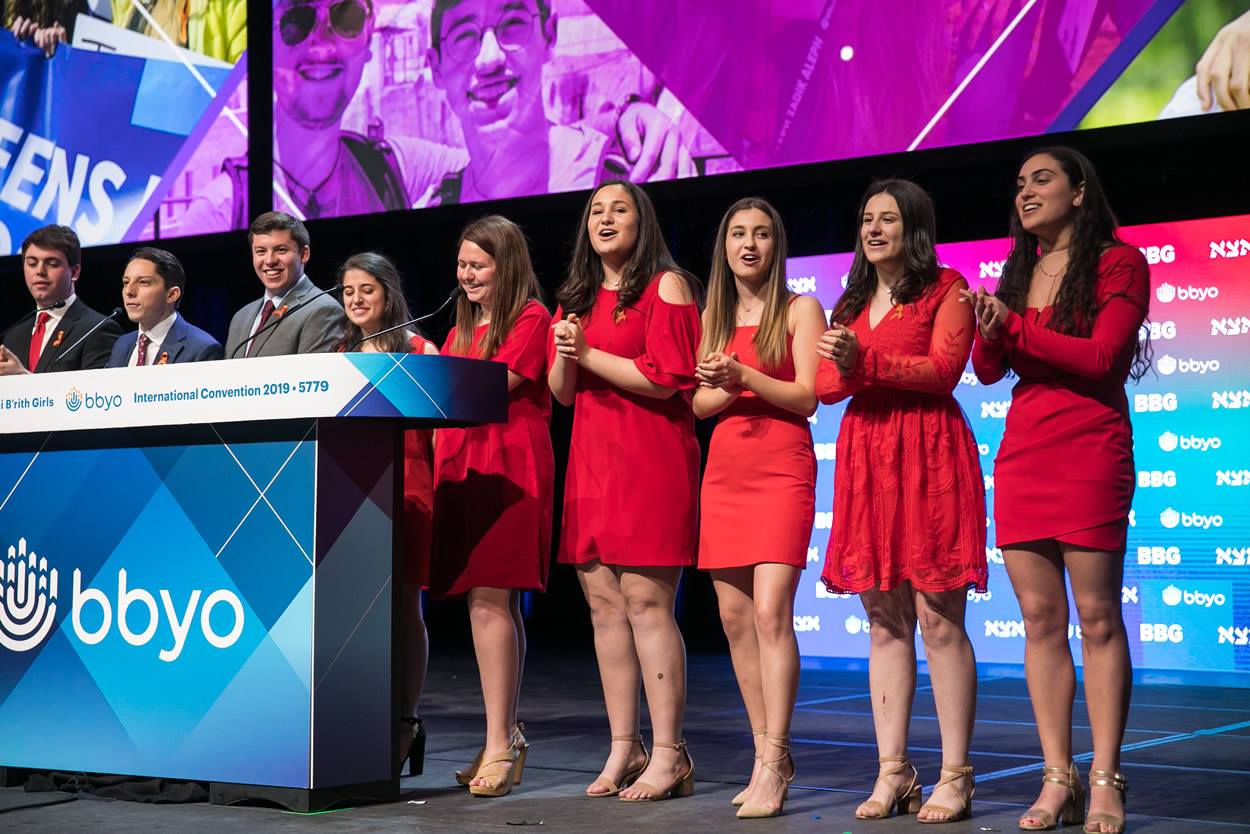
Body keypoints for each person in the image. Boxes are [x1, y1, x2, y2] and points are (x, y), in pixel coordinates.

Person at [965, 147, 1148, 834]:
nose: (1025, 191)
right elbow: (988, 371)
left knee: (1097, 618)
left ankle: (1105, 778)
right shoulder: (1017, 274)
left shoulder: (1119, 263)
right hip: (1026, 454)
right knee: (1040, 622)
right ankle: (1057, 777)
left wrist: (1012, 328)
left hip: (1090, 448)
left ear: (1079, 192)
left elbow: (1102, 357)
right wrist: (990, 330)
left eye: (1041, 179)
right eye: (1018, 184)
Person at [815, 179, 986, 824]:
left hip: (929, 453)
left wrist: (868, 361)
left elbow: (945, 371)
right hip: (869, 457)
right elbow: (830, 386)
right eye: (866, 220)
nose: (874, 229)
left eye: (888, 219)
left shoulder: (947, 286)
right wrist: (853, 362)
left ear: (913, 227)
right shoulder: (853, 299)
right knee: (885, 621)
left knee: (939, 619)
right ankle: (893, 772)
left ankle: (955, 775)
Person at [548, 180, 701, 802]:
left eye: (620, 210)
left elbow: (667, 380)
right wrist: (565, 350)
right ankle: (624, 746)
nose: (605, 220)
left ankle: (670, 752)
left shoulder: (667, 285)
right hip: (592, 460)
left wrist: (585, 350)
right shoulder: (578, 298)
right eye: (597, 212)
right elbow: (561, 391)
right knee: (604, 608)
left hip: (650, 459)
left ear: (643, 222)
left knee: (646, 605)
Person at [692, 197, 824, 819]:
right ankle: (761, 753)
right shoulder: (712, 315)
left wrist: (743, 376)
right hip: (725, 471)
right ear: (724, 246)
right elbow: (696, 408)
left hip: (781, 466)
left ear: (778, 244)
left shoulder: (801, 308)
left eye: (763, 233)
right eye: (739, 233)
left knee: (772, 612)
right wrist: (721, 384)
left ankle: (776, 759)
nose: (750, 244)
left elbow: (805, 397)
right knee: (735, 619)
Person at [432, 215, 553, 798]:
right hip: (462, 468)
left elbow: (486, 388)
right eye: (462, 265)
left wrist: (422, 380)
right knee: (489, 604)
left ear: (506, 266)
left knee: (489, 601)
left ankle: (502, 744)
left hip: (508, 469)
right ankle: (500, 735)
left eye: (478, 264)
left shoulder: (531, 318)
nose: (467, 274)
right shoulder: (460, 330)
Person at [422, 0, 693, 206]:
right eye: (464, 36)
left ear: (550, 35)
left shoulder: (631, 174)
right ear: (436, 67)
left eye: (512, 24)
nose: (489, 59)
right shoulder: (436, 204)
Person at [333, 251, 438, 779]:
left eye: (366, 290)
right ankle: (359, 720)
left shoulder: (420, 350)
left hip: (410, 489)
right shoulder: (336, 354)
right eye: (348, 291)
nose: (355, 299)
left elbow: (438, 435)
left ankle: (404, 721)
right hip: (350, 495)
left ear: (388, 292)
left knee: (402, 607)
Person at [0, 224, 122, 374]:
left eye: (52, 264)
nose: (39, 271)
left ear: (74, 272)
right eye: (32, 263)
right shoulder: (13, 336)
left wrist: (22, 375)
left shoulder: (97, 329)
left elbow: (95, 394)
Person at [224, 211, 344, 358]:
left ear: (304, 254)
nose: (269, 261)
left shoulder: (323, 310)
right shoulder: (241, 317)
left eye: (281, 250)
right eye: (261, 251)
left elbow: (313, 377)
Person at [105, 247, 222, 368]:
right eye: (126, 282)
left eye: (144, 282)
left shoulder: (201, 349)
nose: (129, 291)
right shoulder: (122, 345)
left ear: (172, 294)